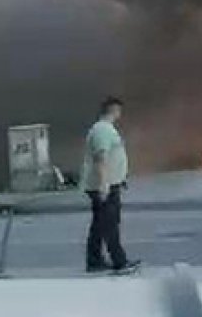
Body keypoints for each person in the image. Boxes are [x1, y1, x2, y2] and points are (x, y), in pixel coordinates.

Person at [81, 97, 139, 274]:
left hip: (107, 183)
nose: (120, 114)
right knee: (110, 224)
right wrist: (104, 184)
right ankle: (119, 261)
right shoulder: (103, 130)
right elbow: (101, 158)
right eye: (118, 111)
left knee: (100, 224)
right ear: (113, 110)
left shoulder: (104, 129)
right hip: (104, 185)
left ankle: (94, 260)